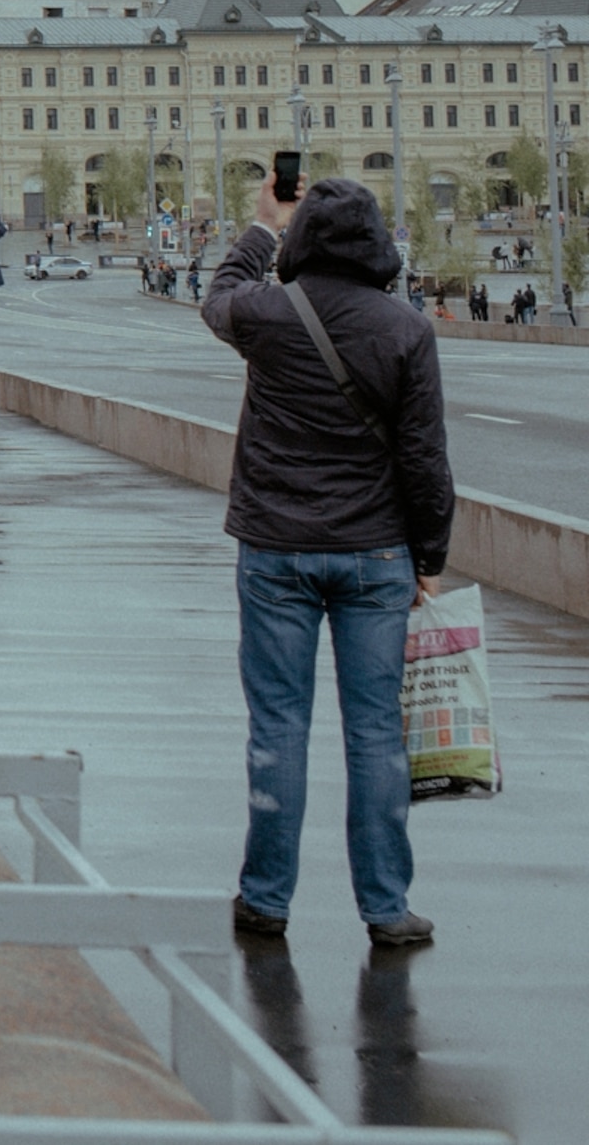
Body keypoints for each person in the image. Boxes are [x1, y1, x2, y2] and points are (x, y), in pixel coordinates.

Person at [204, 172, 454, 947]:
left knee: (278, 724)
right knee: (376, 730)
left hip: (275, 549)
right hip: (376, 553)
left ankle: (265, 897)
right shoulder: (405, 327)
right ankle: (386, 907)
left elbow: (217, 296)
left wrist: (262, 226)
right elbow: (424, 457)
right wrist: (429, 554)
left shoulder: (268, 313)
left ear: (305, 236)